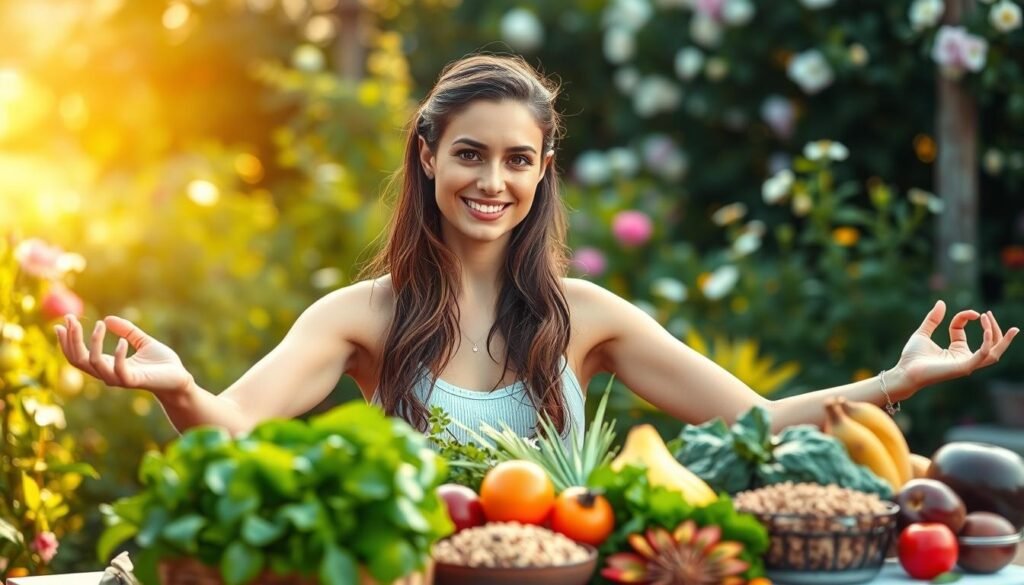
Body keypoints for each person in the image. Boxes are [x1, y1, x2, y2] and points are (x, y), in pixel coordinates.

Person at [54, 54, 1017, 445]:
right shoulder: (361, 317)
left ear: (544, 168)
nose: (492, 181)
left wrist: (894, 383)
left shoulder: (584, 316)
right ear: (427, 155)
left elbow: (755, 421)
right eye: (469, 154)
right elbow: (239, 430)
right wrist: (181, 389)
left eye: (518, 160)